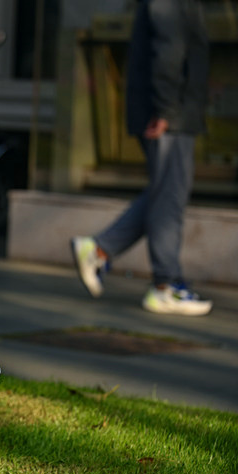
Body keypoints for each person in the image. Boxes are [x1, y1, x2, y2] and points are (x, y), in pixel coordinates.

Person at [71, 0, 212, 316]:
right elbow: (169, 49)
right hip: (169, 115)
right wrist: (165, 109)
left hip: (173, 112)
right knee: (169, 198)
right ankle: (165, 285)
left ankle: (99, 249)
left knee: (166, 192)